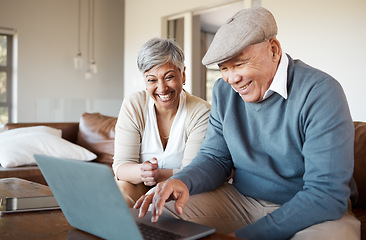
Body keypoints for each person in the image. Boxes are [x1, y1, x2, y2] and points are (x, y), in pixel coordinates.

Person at [134, 7, 361, 240]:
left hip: (309, 210)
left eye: (240, 64)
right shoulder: (224, 91)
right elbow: (215, 157)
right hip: (241, 201)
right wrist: (181, 181)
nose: (232, 79)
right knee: (152, 216)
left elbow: (325, 195)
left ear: (274, 50)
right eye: (224, 68)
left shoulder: (320, 92)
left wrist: (246, 236)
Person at [112, 38, 211, 207]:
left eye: (169, 77)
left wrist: (156, 175)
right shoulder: (134, 105)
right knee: (120, 191)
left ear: (183, 74)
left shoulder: (201, 112)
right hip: (139, 187)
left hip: (181, 190)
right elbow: (121, 167)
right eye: (152, 80)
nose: (162, 88)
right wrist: (142, 173)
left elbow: (190, 173)